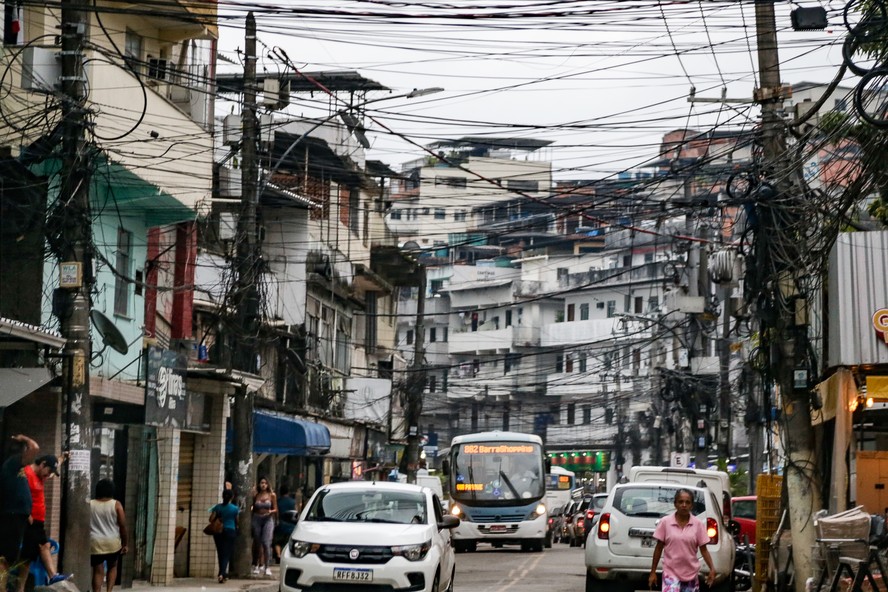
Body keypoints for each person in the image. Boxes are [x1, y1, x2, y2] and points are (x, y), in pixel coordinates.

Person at [17, 455, 71, 592]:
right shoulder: (26, 473)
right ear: (42, 464)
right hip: (30, 521)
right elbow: (19, 495)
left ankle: (53, 576)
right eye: (48, 470)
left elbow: (52, 466)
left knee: (44, 545)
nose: (48, 475)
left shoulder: (41, 475)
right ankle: (20, 588)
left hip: (39, 522)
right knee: (27, 558)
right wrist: (26, 513)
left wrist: (61, 458)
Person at [648, 489, 717, 592]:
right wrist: (653, 572)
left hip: (691, 575)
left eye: (687, 502)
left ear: (691, 505)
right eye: (680, 502)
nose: (684, 505)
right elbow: (658, 548)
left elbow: (704, 550)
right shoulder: (665, 522)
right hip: (670, 574)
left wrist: (712, 568)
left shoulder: (698, 524)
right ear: (675, 504)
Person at [0, 433, 40, 591]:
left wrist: (27, 512)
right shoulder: (11, 464)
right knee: (4, 558)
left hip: (18, 517)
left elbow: (18, 493)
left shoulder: (15, 468)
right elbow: (35, 448)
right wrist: (24, 438)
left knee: (9, 558)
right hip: (11, 517)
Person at [90, 478, 128, 592]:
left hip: (95, 542)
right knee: (112, 566)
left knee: (98, 570)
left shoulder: (90, 504)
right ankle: (109, 590)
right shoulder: (116, 505)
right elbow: (123, 526)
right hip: (112, 542)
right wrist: (125, 544)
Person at [210, 489, 239, 583]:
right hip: (230, 531)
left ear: (222, 496)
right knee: (227, 553)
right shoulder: (235, 508)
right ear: (232, 497)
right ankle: (222, 573)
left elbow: (211, 519)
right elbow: (237, 521)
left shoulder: (217, 507)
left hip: (218, 532)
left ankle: (221, 573)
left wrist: (219, 517)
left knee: (220, 552)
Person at [251, 476, 277, 576]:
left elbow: (275, 509)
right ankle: (256, 565)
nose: (263, 485)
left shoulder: (272, 495)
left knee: (266, 543)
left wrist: (271, 512)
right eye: (262, 483)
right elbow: (253, 508)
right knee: (257, 543)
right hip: (257, 518)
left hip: (268, 519)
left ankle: (267, 566)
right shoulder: (256, 495)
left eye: (265, 483)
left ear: (268, 484)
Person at [273, 486, 297, 562]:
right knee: (286, 542)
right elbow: (296, 513)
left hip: (280, 524)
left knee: (277, 541)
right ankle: (284, 556)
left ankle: (278, 555)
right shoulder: (293, 502)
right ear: (288, 492)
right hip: (291, 525)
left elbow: (276, 512)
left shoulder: (278, 501)